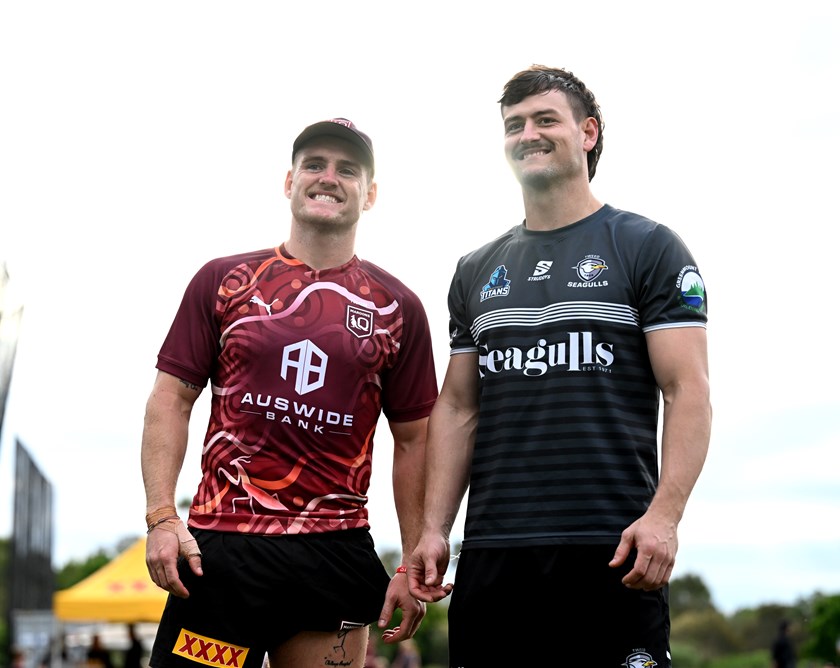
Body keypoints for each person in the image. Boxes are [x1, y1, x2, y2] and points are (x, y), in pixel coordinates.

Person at [407, 65, 712, 666]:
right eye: (514, 124)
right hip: (494, 552)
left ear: (588, 133)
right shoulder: (475, 268)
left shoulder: (649, 247)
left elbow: (688, 391)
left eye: (545, 119)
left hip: (613, 549)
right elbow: (459, 407)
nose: (528, 134)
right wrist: (434, 529)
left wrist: (665, 516)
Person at [141, 117, 438, 668]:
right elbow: (170, 401)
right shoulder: (224, 280)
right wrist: (162, 516)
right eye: (314, 165)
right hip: (224, 549)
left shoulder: (397, 307)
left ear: (370, 194)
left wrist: (410, 561)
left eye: (347, 170)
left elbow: (416, 440)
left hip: (333, 547)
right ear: (289, 181)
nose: (328, 177)